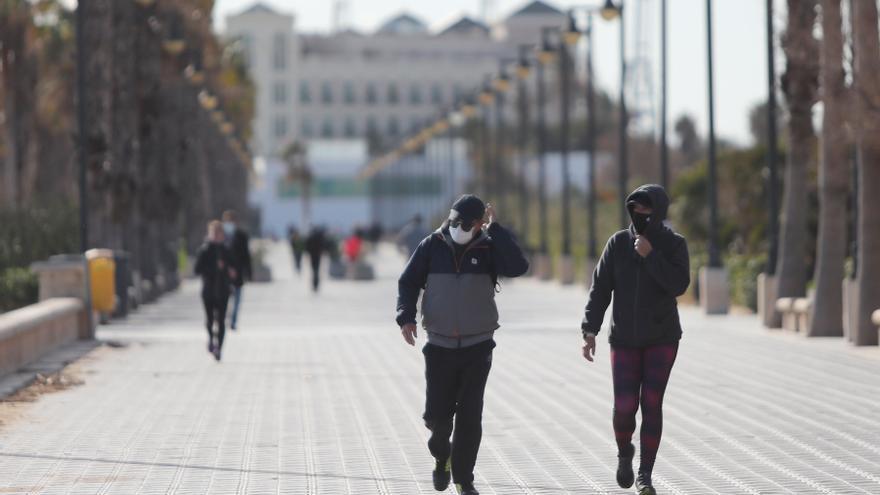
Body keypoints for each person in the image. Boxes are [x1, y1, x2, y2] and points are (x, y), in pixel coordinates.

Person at [397, 195, 529, 495]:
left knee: (470, 416)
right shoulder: (432, 245)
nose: (461, 227)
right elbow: (408, 282)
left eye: (470, 223)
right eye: (457, 221)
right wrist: (406, 316)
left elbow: (518, 267)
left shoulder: (489, 246)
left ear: (481, 223)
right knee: (437, 419)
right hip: (439, 345)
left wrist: (497, 231)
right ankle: (442, 456)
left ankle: (463, 479)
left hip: (478, 345)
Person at [580, 184, 690, 495]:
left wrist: (652, 256)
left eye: (647, 210)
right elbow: (600, 289)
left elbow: (679, 284)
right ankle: (624, 450)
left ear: (659, 213)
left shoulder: (673, 245)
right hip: (624, 338)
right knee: (625, 406)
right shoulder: (617, 243)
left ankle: (645, 475)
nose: (640, 215)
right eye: (635, 209)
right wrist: (590, 330)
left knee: (651, 403)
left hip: (662, 337)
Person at [194, 220, 237, 361]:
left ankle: (219, 348)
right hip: (208, 291)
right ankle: (211, 340)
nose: (217, 236)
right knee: (210, 320)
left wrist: (230, 271)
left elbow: (233, 268)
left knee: (222, 321)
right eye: (214, 233)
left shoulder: (226, 250)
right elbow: (197, 269)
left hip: (223, 291)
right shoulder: (205, 250)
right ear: (210, 234)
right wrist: (214, 268)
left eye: (219, 233)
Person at [222, 210, 251, 331]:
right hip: (223, 274)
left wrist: (249, 272)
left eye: (231, 221)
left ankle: (233, 321)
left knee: (237, 299)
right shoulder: (220, 236)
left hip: (238, 272)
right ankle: (224, 318)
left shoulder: (242, 236)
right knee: (224, 298)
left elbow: (246, 255)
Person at [305, 226, 327, 292]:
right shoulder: (319, 238)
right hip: (318, 256)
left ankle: (315, 284)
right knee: (316, 270)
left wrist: (307, 254)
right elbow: (323, 246)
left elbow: (307, 247)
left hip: (313, 256)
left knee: (314, 270)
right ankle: (316, 284)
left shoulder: (310, 237)